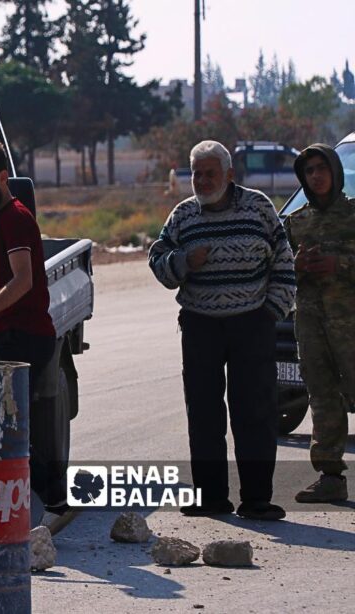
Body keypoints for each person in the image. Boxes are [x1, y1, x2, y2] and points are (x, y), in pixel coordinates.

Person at [149, 140, 295, 521]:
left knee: (255, 412)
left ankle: (257, 499)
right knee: (203, 413)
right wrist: (182, 261)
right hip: (200, 325)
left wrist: (269, 314)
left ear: (230, 175)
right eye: (196, 172)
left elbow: (284, 262)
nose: (201, 180)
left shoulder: (259, 208)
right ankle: (212, 497)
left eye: (210, 172)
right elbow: (158, 261)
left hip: (252, 323)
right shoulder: (183, 216)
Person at [0, 140, 72, 533]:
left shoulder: (15, 219)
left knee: (7, 427)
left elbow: (22, 282)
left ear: (1, 178)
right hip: (8, 334)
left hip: (26, 337)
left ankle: (54, 500)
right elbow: (2, 287)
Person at [286, 143, 355, 503]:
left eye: (321, 168)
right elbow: (278, 270)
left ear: (335, 171)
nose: (316, 175)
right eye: (309, 170)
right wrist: (295, 266)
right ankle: (330, 477)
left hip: (350, 324)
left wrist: (339, 264)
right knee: (323, 397)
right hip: (311, 323)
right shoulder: (296, 222)